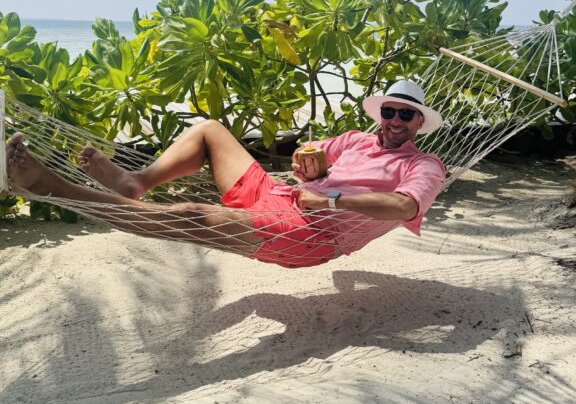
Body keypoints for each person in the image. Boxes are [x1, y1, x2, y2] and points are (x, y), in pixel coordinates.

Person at [6, 80, 445, 269]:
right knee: (210, 131)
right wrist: (305, 162)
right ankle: (135, 181)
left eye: (406, 114)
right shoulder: (354, 139)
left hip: (310, 232)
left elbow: (403, 206)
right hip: (281, 195)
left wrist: (330, 201)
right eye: (389, 110)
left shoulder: (423, 166)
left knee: (190, 218)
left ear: (418, 123)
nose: (394, 119)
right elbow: (312, 157)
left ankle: (45, 184)